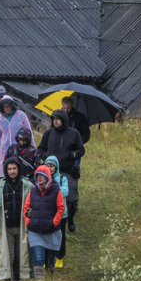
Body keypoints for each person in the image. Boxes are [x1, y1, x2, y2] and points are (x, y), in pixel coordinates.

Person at [0, 158, 34, 281]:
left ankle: (20, 280)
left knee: (22, 254)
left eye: (14, 168)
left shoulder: (28, 185)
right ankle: (8, 280)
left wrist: (32, 212)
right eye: (9, 169)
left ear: (18, 169)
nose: (12, 171)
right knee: (9, 255)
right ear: (5, 170)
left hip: (23, 226)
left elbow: (36, 204)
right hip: (5, 227)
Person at [23, 165, 65, 281]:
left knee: (50, 261)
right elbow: (26, 208)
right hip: (35, 231)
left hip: (51, 232)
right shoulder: (32, 191)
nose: (39, 178)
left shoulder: (56, 191)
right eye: (37, 175)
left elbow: (61, 208)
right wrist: (28, 222)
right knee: (38, 258)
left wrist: (54, 223)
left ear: (48, 176)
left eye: (42, 175)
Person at [37, 109, 84, 199]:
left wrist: (70, 155)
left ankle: (68, 211)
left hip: (66, 169)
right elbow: (40, 149)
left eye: (58, 119)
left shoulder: (74, 133)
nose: (55, 121)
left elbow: (81, 150)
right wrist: (46, 157)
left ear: (64, 120)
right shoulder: (48, 133)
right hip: (49, 170)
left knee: (71, 198)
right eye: (54, 119)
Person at [60, 97, 87, 232]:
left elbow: (86, 134)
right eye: (63, 108)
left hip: (74, 153)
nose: (65, 111)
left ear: (72, 106)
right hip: (61, 154)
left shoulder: (80, 118)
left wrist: (76, 141)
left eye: (68, 108)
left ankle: (72, 202)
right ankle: (61, 204)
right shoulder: (58, 119)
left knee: (73, 178)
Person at [0, 96, 34, 179]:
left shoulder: (21, 115)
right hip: (4, 150)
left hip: (21, 148)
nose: (7, 109)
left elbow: (29, 132)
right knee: (6, 171)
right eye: (5, 107)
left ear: (12, 106)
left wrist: (32, 147)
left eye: (8, 106)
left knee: (19, 170)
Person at [42, 157, 69, 269]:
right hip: (46, 212)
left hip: (61, 214)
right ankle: (46, 258)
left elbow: (65, 192)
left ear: (56, 167)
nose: (49, 168)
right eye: (47, 166)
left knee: (60, 236)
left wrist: (52, 186)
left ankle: (59, 257)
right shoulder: (42, 178)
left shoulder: (63, 178)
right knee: (45, 236)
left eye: (51, 166)